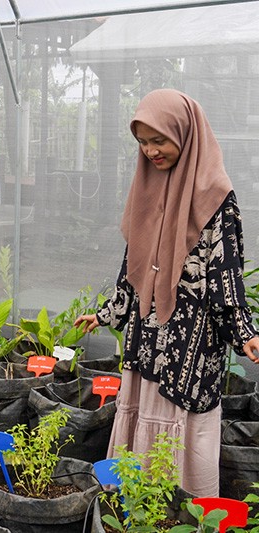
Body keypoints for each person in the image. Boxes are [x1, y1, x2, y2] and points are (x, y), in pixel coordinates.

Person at [74, 88, 259, 498]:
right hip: (147, 333)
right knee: (142, 426)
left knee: (182, 435)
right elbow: (134, 265)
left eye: (159, 139)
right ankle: (137, 512)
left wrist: (243, 332)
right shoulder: (148, 187)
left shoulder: (217, 196)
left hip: (192, 342)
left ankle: (180, 515)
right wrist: (107, 313)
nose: (151, 151)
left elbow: (225, 273)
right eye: (142, 142)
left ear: (186, 133)